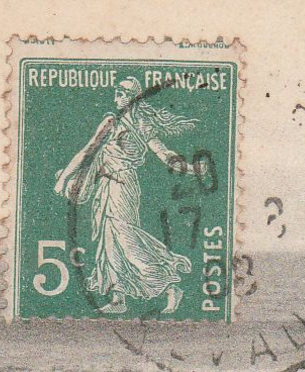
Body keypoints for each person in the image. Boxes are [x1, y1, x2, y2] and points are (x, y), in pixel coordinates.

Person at [53, 77, 205, 316]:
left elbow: (164, 154)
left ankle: (169, 283)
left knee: (124, 238)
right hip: (105, 185)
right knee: (107, 241)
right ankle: (118, 298)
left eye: (126, 91)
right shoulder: (110, 122)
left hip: (125, 185)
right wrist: (64, 179)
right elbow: (88, 150)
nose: (120, 94)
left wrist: (190, 168)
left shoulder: (142, 125)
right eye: (119, 91)